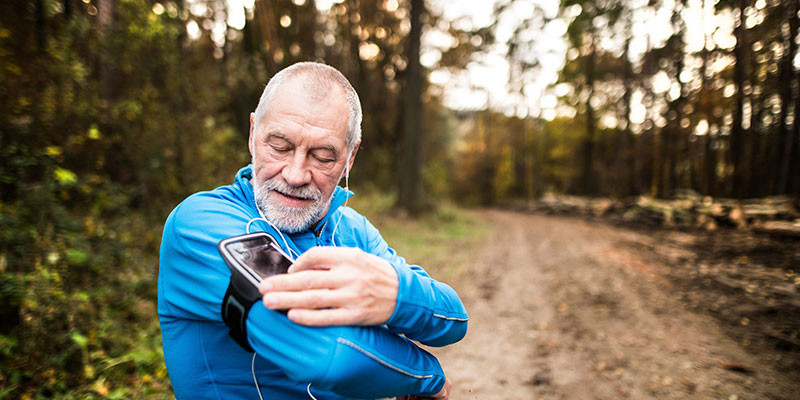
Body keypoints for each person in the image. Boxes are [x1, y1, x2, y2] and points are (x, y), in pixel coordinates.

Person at [158, 62, 468, 400]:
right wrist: (429, 377)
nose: (295, 174)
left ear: (350, 158)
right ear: (252, 134)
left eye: (322, 157)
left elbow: (452, 318)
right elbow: (329, 354)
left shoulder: (353, 230)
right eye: (280, 146)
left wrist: (394, 294)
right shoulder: (201, 223)